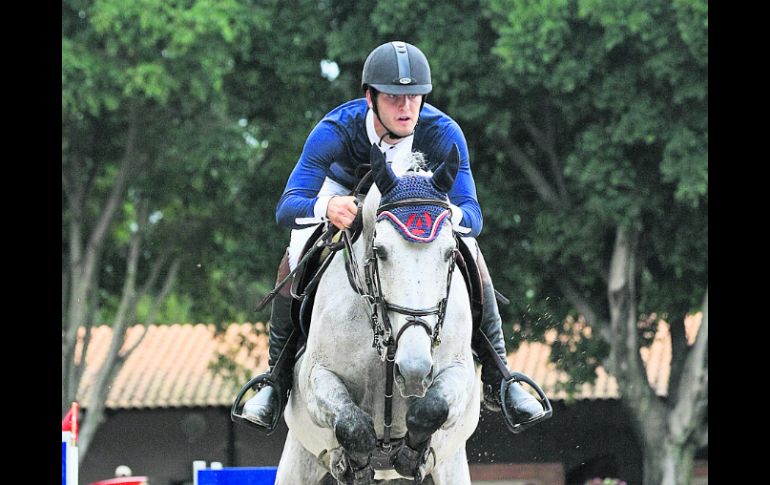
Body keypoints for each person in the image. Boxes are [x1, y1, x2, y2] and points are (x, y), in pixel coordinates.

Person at [242, 41, 546, 431]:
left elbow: (473, 216)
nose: (406, 109)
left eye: (414, 98)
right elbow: (288, 206)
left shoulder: (442, 132)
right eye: (393, 98)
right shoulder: (336, 129)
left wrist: (445, 214)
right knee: (297, 248)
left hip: (416, 209)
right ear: (370, 97)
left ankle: (499, 376)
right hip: (344, 195)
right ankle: (276, 379)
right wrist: (326, 208)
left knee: (470, 246)